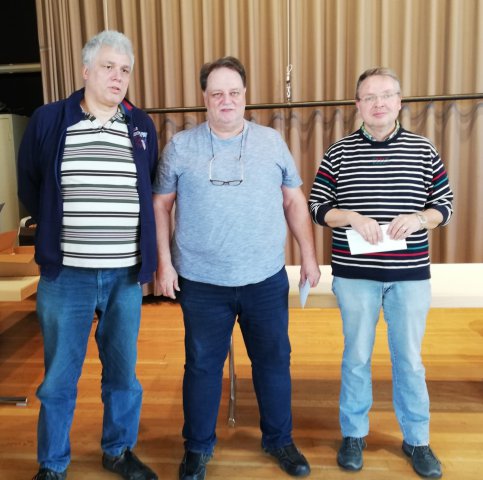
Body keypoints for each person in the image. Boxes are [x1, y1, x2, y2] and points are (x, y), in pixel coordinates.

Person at [152, 56, 321, 480]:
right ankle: (197, 447)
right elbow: (160, 205)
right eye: (217, 93)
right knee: (202, 366)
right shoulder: (181, 147)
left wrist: (309, 255)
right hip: (201, 282)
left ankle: (279, 440)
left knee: (273, 361)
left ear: (245, 95)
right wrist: (164, 264)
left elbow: (294, 200)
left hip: (264, 278)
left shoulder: (271, 142)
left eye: (233, 92)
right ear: (204, 97)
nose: (226, 100)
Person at [18, 30, 159, 480]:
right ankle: (52, 464)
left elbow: (147, 185)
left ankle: (118, 450)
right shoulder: (49, 120)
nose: (118, 77)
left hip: (123, 276)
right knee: (59, 377)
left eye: (125, 70)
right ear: (85, 71)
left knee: (123, 374)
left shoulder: (140, 125)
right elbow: (30, 185)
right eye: (108, 67)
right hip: (66, 277)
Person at [309, 67, 453, 479]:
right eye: (369, 97)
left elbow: (444, 205)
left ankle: (417, 439)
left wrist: (420, 218)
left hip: (409, 275)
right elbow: (318, 207)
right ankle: (354, 434)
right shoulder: (338, 152)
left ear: (399, 102)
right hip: (355, 275)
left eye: (386, 95)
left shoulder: (423, 150)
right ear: (357, 105)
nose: (378, 103)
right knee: (356, 357)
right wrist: (351, 217)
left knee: (410, 360)